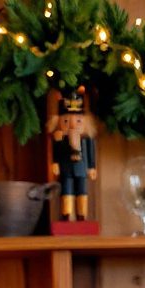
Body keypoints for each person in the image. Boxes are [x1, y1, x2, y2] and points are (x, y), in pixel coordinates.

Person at [47, 90, 97, 221]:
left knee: (82, 190)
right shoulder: (60, 139)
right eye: (66, 121)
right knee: (66, 189)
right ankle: (66, 214)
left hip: (82, 168)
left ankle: (82, 214)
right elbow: (57, 151)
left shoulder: (87, 139)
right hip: (66, 168)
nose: (72, 125)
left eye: (78, 121)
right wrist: (55, 162)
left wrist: (92, 167)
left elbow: (91, 153)